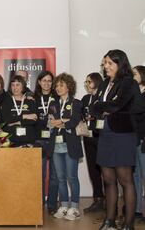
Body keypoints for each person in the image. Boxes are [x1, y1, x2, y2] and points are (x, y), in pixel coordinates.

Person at [92, 49, 139, 230]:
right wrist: (102, 107)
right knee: (108, 179)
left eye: (110, 63)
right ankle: (109, 220)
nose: (106, 67)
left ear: (121, 64)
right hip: (105, 134)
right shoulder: (105, 83)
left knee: (125, 180)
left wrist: (102, 107)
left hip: (122, 135)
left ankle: (128, 224)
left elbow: (120, 104)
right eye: (104, 63)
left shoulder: (128, 82)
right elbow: (96, 105)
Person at [46, 73, 83, 221]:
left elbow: (74, 121)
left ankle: (74, 207)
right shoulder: (53, 103)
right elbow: (50, 123)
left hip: (70, 144)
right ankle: (64, 205)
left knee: (71, 176)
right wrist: (62, 121)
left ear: (69, 86)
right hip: (56, 145)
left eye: (61, 85)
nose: (58, 88)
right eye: (57, 85)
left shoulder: (76, 103)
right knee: (60, 178)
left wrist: (60, 121)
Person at [34, 71, 59, 214]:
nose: (47, 83)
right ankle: (39, 202)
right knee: (40, 173)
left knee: (54, 175)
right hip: (38, 139)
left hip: (54, 139)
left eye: (49, 81)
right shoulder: (32, 98)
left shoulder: (57, 98)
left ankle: (51, 205)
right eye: (44, 80)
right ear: (39, 82)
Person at [81, 72, 105, 213]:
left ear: (96, 82)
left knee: (105, 170)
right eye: (86, 81)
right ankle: (98, 199)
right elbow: (81, 114)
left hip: (101, 137)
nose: (87, 84)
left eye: (89, 81)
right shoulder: (85, 98)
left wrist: (94, 117)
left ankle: (109, 200)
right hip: (88, 137)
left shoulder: (102, 98)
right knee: (93, 170)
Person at [1, 75, 37, 147]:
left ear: (23, 86)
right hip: (11, 141)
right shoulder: (6, 102)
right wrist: (24, 116)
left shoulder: (30, 101)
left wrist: (17, 122)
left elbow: (34, 120)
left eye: (17, 85)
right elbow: (7, 120)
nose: (15, 88)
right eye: (13, 85)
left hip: (28, 140)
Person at [132, 65, 145, 220]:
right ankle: (136, 209)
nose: (132, 76)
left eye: (134, 74)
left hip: (143, 140)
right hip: (132, 140)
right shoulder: (133, 94)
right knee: (134, 175)